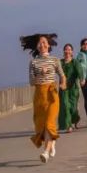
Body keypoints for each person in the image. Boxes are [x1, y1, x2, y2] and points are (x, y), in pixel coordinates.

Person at [20, 33, 65, 162]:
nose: (42, 45)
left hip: (52, 94)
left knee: (50, 123)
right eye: (40, 43)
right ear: (37, 46)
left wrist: (62, 84)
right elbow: (31, 82)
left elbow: (62, 75)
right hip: (39, 95)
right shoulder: (33, 62)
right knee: (41, 126)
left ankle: (45, 152)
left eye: (44, 42)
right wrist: (41, 73)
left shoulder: (55, 60)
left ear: (49, 45)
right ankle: (52, 143)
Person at [58, 43, 84, 133]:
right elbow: (53, 70)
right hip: (63, 88)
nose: (67, 51)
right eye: (66, 49)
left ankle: (76, 118)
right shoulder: (60, 62)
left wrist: (82, 79)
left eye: (69, 49)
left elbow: (80, 71)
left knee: (73, 108)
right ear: (63, 51)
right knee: (65, 106)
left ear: (72, 52)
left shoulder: (74, 62)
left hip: (73, 88)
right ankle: (68, 126)